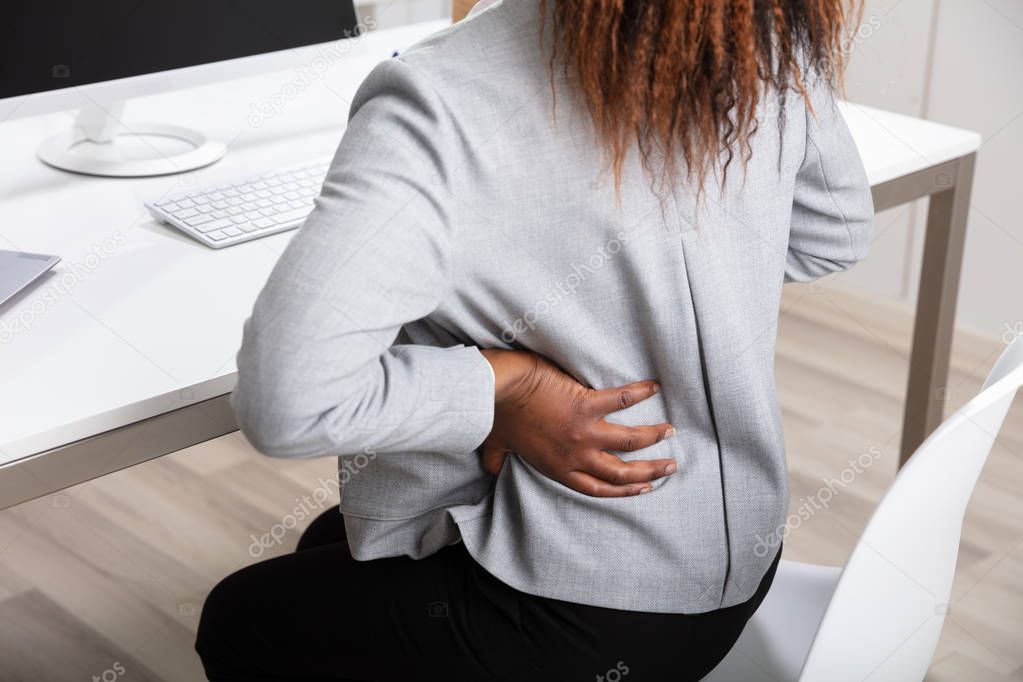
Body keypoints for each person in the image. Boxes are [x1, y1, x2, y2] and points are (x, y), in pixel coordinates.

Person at [196, 0, 873, 680]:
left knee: (236, 617)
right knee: (328, 539)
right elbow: (832, 234)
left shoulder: (443, 93)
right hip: (740, 570)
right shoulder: (757, 35)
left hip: (580, 613)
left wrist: (506, 385)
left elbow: (288, 399)